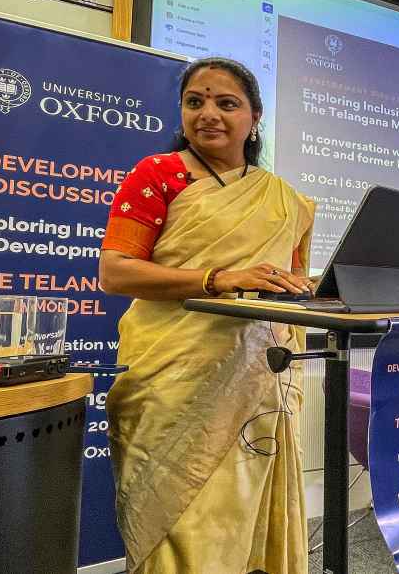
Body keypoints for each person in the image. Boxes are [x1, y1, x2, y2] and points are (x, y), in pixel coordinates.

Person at [99, 57, 315, 574]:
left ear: (254, 117)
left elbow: (290, 285)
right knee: (180, 526)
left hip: (259, 380)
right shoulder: (158, 175)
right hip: (173, 381)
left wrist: (307, 290)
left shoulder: (287, 201)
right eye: (195, 101)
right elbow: (116, 272)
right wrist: (217, 277)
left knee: (247, 517)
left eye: (226, 103)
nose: (208, 114)